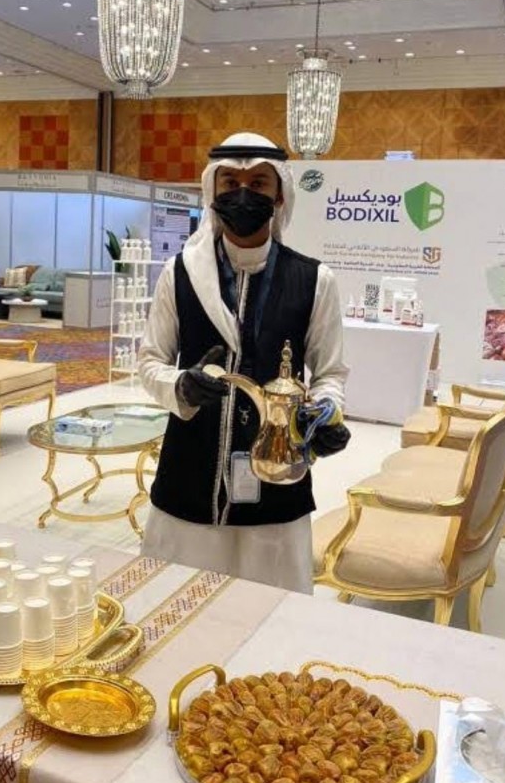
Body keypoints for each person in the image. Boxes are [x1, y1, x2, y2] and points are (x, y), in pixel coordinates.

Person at [137, 132, 349, 593]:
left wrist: (327, 414)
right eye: (231, 182)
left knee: (272, 612)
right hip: (189, 475)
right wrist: (181, 386)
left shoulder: (315, 279)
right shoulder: (178, 274)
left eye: (258, 183)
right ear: (213, 191)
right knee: (176, 602)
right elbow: (151, 361)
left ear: (279, 195)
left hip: (278, 475)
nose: (243, 194)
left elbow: (329, 373)